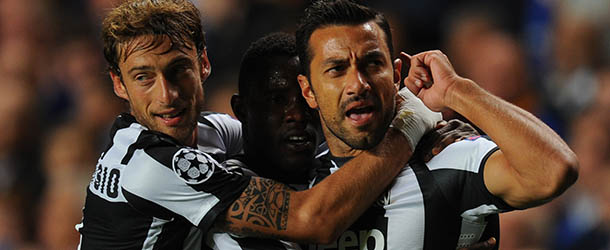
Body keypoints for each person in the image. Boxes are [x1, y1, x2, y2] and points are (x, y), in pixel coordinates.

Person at [76, 0, 443, 249]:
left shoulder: (209, 133)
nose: (167, 95)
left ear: (203, 63)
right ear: (118, 84)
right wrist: (409, 123)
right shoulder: (151, 167)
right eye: (143, 78)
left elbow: (298, 143)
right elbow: (313, 218)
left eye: (179, 70)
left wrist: (427, 134)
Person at [295, 1, 579, 249]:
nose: (358, 84)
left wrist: (457, 90)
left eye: (372, 64)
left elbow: (553, 170)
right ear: (308, 91)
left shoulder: (444, 156)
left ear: (396, 75)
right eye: (337, 69)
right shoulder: (293, 183)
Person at [207, 32, 496, 250]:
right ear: (241, 110)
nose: (296, 114)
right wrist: (414, 118)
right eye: (276, 100)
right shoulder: (224, 187)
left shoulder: (340, 174)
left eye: (307, 101)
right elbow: (314, 218)